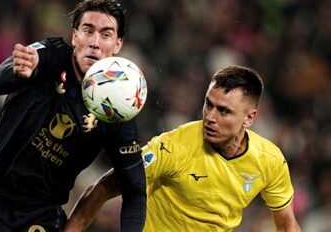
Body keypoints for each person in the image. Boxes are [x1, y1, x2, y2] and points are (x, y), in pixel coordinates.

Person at [0, 0, 146, 232]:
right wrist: (18, 71)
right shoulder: (49, 55)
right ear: (75, 35)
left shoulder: (118, 110)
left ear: (118, 44)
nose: (95, 42)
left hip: (36, 217)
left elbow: (135, 190)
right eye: (88, 30)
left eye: (106, 34)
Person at [64, 65, 301, 231]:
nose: (210, 117)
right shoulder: (175, 146)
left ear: (249, 118)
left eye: (224, 111)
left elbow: (287, 224)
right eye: (208, 104)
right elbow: (102, 187)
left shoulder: (269, 160)